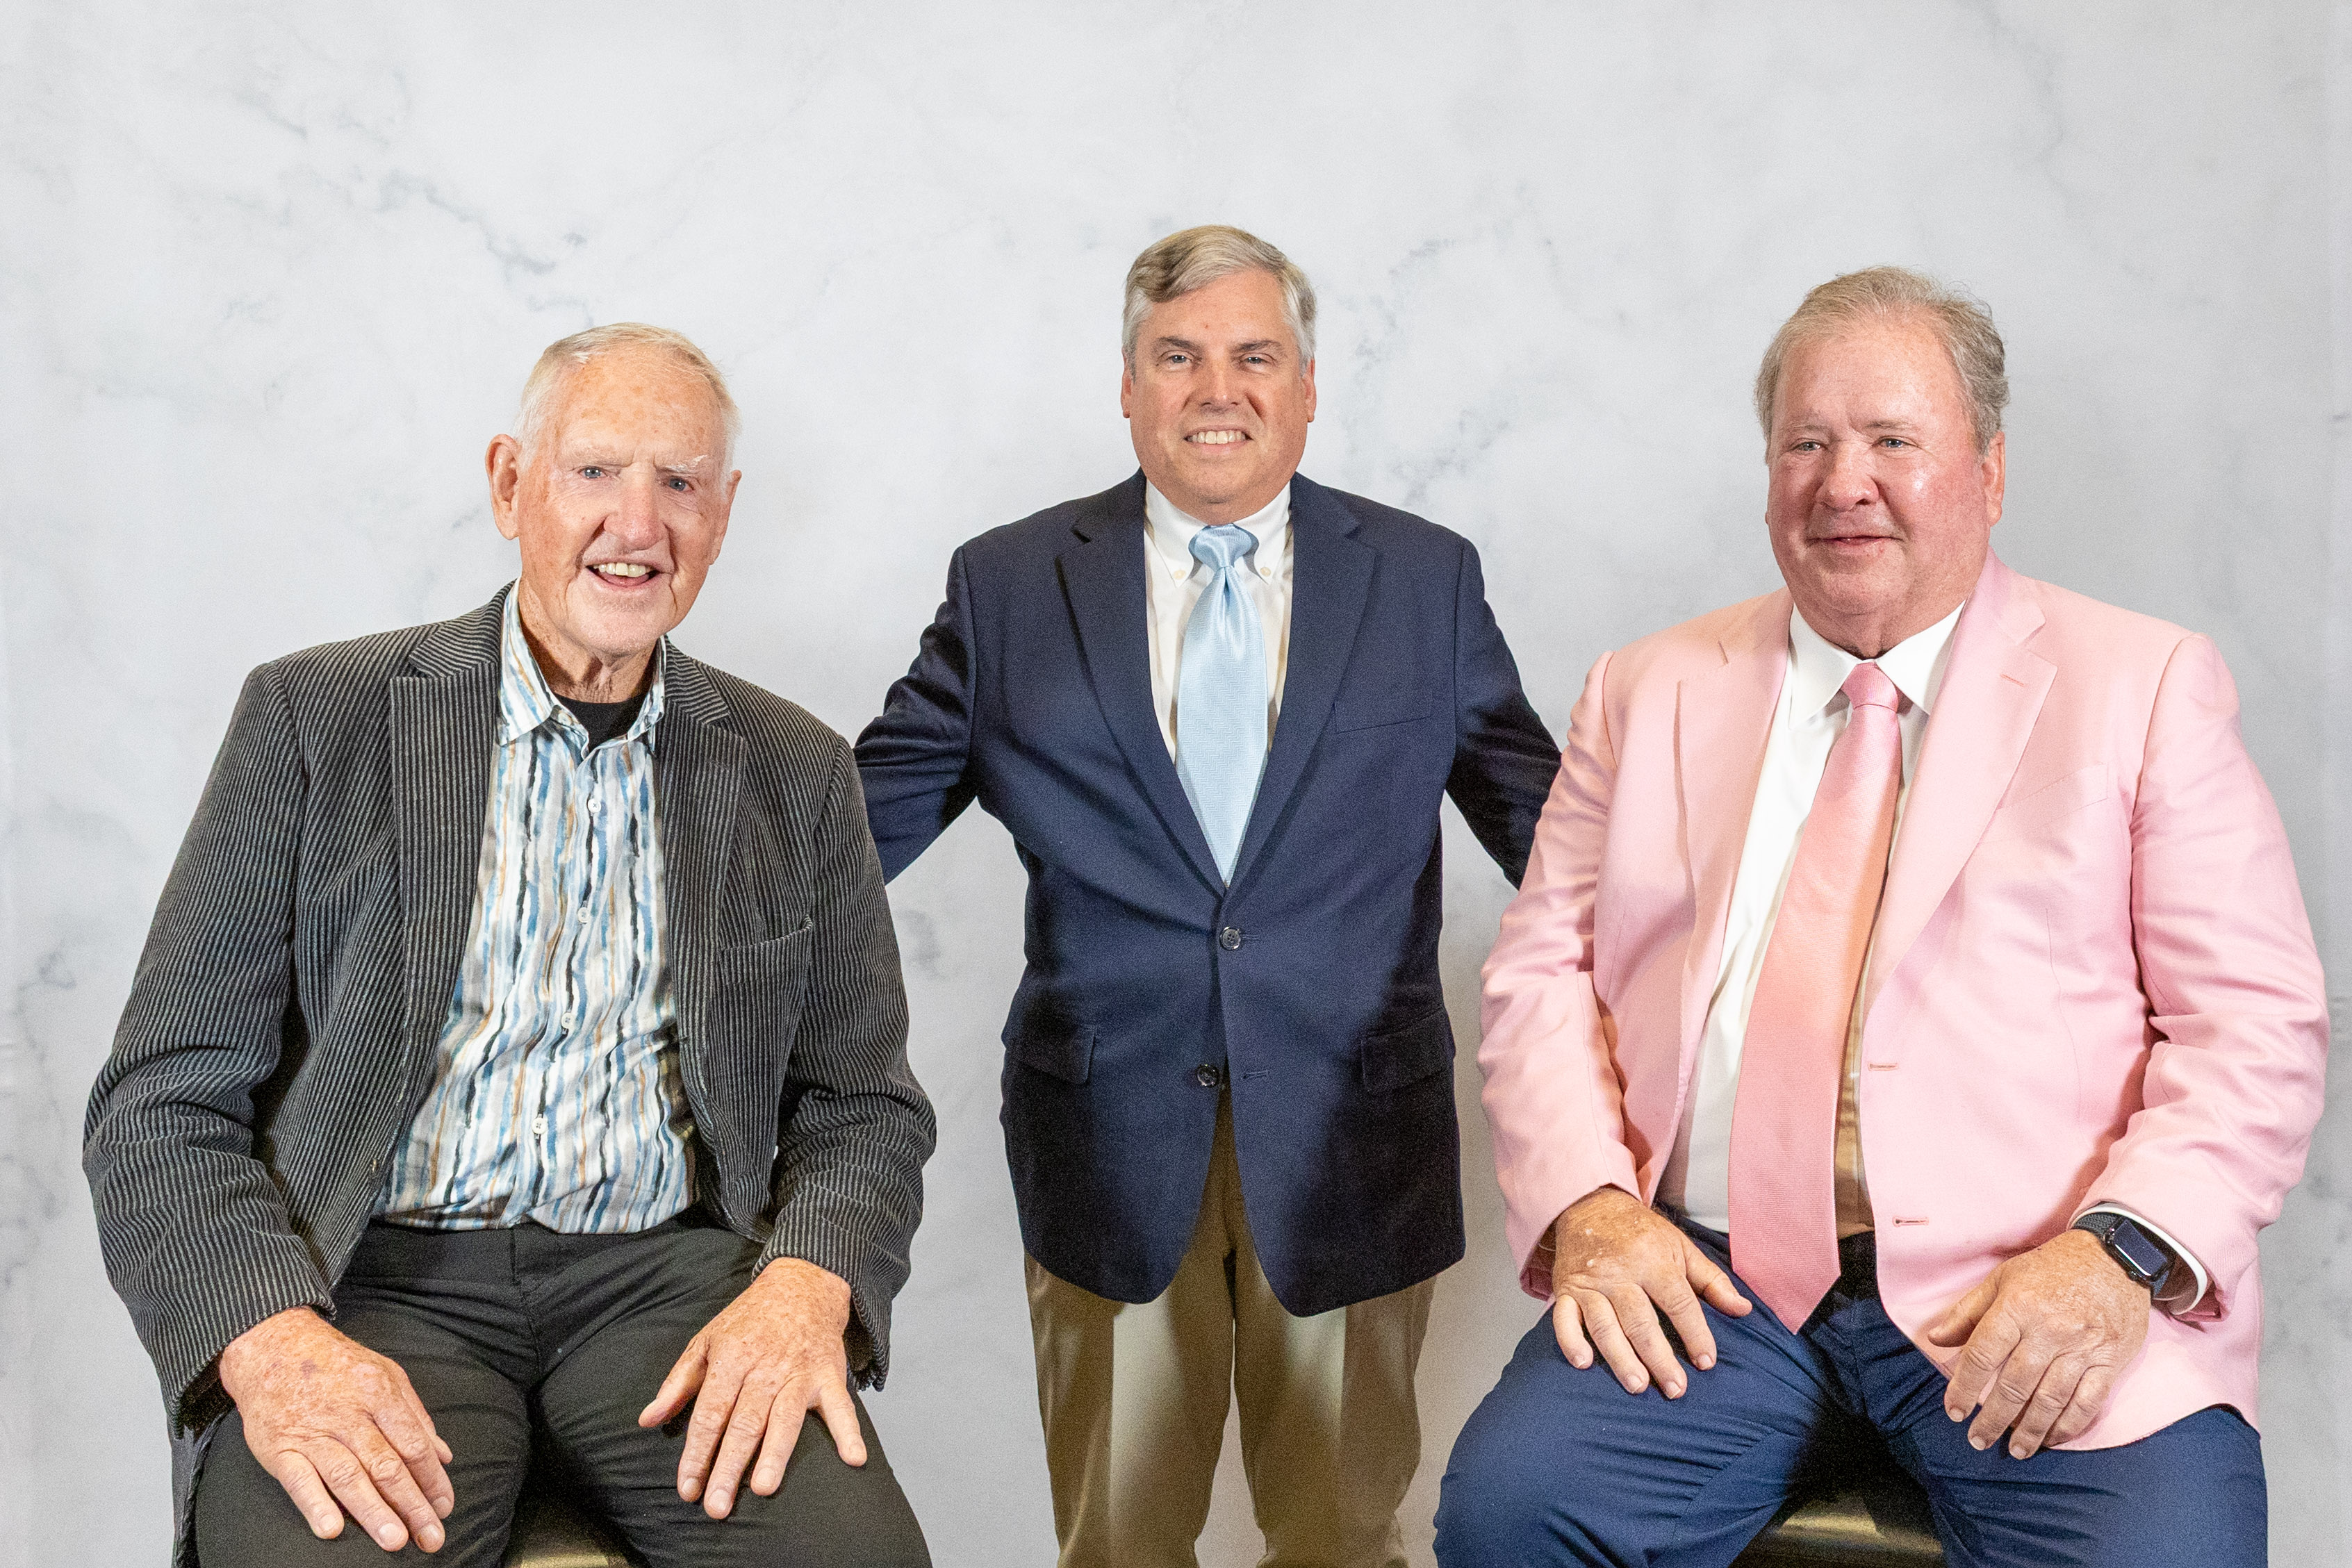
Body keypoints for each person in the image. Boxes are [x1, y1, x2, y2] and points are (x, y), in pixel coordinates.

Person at [1436, 267, 2329, 1568]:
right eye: (1806, 442)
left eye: (1892, 441)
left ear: (1989, 471)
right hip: (1713, 1281)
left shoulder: (2142, 685)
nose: (1842, 483)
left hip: (2025, 1279)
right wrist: (1590, 1202)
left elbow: (2251, 1024)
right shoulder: (1646, 688)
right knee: (1511, 1513)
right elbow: (1542, 974)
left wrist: (2116, 1252)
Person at [85, 324, 936, 1567]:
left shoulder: (793, 766)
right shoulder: (316, 717)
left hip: (670, 1288)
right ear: (508, 484)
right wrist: (270, 1337)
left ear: (722, 513)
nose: (637, 524)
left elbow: (864, 1103)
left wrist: (809, 1283)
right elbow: (160, 1098)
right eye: (594, 471)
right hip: (370, 1281)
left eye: (680, 481)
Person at [856, 225, 1559, 1567]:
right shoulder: (1008, 584)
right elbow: (848, 830)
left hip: (1354, 1140)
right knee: (1118, 1543)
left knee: (1341, 1537)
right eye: (1177, 357)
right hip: (1108, 1144)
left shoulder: (1424, 577)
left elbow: (1553, 838)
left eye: (1254, 356)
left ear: (1308, 385)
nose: (1216, 389)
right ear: (1127, 385)